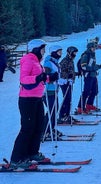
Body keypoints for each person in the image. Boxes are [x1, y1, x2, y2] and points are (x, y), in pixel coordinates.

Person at [8, 39, 56, 170]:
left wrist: (49, 78)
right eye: (42, 49)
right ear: (35, 49)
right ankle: (16, 159)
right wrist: (38, 78)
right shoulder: (28, 60)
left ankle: (32, 152)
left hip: (37, 98)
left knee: (38, 126)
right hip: (27, 99)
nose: (44, 52)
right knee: (27, 128)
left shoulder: (36, 61)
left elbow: (39, 77)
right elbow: (24, 79)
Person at [76, 41, 101, 114]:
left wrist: (99, 66)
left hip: (93, 75)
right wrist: (94, 68)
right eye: (93, 47)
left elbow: (92, 65)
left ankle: (89, 105)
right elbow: (84, 66)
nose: (94, 48)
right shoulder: (86, 55)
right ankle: (80, 107)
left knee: (95, 91)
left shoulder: (92, 55)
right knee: (86, 92)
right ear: (89, 48)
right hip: (88, 76)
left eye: (95, 47)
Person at [42, 45, 62, 138]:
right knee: (51, 110)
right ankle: (44, 130)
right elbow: (45, 77)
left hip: (54, 90)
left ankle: (51, 128)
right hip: (48, 91)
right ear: (54, 52)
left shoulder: (55, 62)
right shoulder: (48, 63)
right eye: (59, 52)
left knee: (55, 109)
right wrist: (52, 78)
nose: (61, 54)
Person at [58, 46, 78, 123]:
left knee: (68, 99)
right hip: (64, 82)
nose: (75, 54)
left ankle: (67, 115)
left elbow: (70, 71)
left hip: (69, 82)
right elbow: (60, 71)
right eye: (74, 52)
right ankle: (62, 115)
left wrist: (76, 74)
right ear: (70, 52)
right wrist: (67, 76)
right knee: (66, 98)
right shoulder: (65, 61)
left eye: (76, 53)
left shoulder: (70, 60)